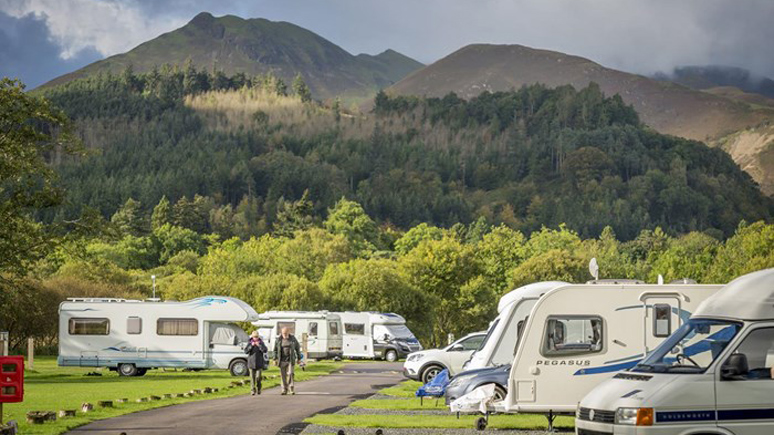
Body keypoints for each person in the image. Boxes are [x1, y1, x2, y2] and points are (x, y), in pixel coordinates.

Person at [274, 326, 302, 395]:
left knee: (290, 373)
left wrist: (299, 358)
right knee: (283, 375)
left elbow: (297, 348)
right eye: (284, 333)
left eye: (286, 333)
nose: (285, 335)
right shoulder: (278, 340)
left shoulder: (292, 339)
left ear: (289, 332)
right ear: (281, 333)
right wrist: (275, 359)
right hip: (282, 359)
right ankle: (284, 389)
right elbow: (275, 350)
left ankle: (291, 388)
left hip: (290, 359)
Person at [244, 331, 267, 396]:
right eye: (254, 337)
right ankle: (252, 390)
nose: (255, 338)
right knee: (252, 378)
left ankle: (259, 388)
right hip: (251, 363)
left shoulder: (261, 343)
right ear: (252, 337)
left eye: (256, 337)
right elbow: (245, 351)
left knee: (258, 377)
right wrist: (251, 346)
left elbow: (265, 350)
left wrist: (259, 345)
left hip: (259, 363)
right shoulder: (249, 343)